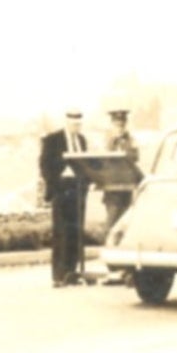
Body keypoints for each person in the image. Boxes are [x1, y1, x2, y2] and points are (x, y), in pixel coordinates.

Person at [39, 110, 89, 286]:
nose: (77, 127)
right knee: (61, 233)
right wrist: (55, 184)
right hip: (61, 190)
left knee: (76, 233)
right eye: (74, 124)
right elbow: (44, 165)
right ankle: (59, 275)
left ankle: (72, 273)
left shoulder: (82, 140)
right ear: (67, 123)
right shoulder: (53, 140)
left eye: (79, 124)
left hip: (78, 190)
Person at [100, 109, 140, 232]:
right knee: (112, 217)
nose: (120, 128)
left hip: (127, 185)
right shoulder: (106, 139)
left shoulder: (130, 139)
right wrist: (113, 141)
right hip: (112, 186)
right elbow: (103, 157)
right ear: (112, 124)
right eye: (117, 125)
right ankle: (107, 240)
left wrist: (126, 146)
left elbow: (135, 156)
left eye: (122, 125)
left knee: (124, 219)